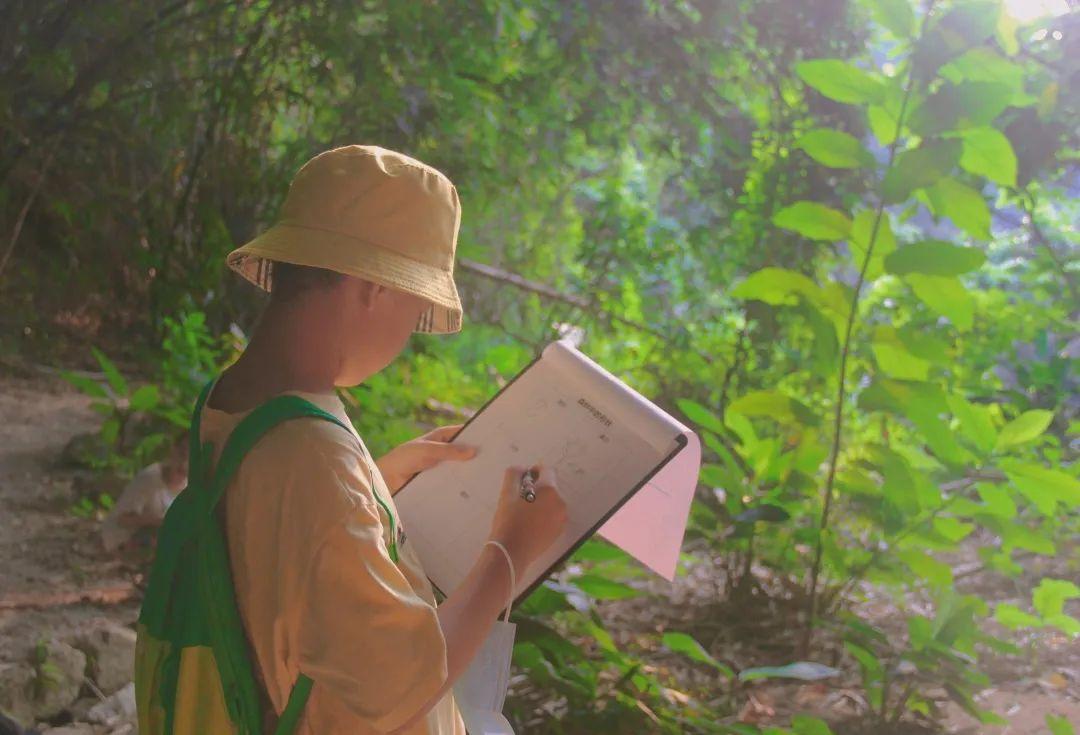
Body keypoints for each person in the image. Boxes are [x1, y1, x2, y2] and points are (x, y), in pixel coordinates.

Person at [201, 144, 568, 734]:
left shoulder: (238, 399)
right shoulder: (314, 457)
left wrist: (380, 482)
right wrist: (510, 550)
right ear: (374, 288)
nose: (407, 336)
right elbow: (400, 686)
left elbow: (279, 538)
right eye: (414, 309)